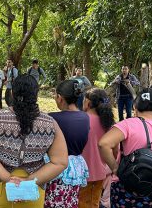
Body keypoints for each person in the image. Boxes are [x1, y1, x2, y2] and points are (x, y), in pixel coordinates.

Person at [0, 74, 68, 208]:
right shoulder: (50, 123)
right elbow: (60, 162)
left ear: (12, 93)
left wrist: (8, 179)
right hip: (32, 189)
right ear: (36, 95)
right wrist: (28, 181)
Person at [99, 88, 152, 207]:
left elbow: (103, 144)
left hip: (126, 191)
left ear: (135, 107)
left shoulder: (127, 124)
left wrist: (115, 169)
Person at [45, 80, 90, 208]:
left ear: (59, 98)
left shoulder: (52, 118)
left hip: (56, 169)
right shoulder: (85, 117)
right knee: (70, 201)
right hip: (75, 170)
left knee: (53, 202)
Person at [78, 88, 115, 208]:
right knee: (94, 202)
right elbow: (115, 149)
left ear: (88, 103)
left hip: (81, 172)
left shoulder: (80, 119)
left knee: (81, 202)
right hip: (100, 173)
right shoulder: (108, 123)